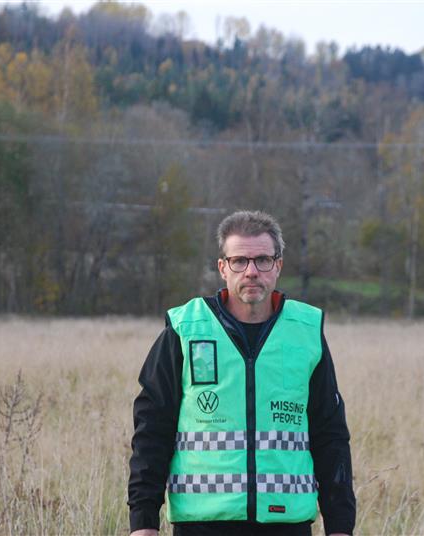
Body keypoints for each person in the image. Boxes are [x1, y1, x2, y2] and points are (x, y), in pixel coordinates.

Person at [128, 210, 355, 536]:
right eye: (239, 261)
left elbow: (330, 435)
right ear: (223, 267)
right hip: (202, 526)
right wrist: (143, 521)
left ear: (278, 266)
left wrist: (340, 526)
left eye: (263, 260)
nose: (251, 271)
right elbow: (152, 429)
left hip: (286, 525)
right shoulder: (186, 329)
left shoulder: (305, 332)